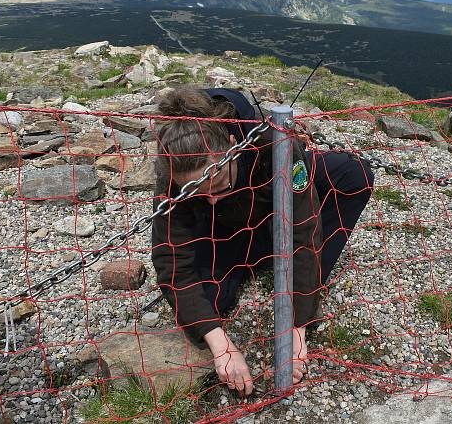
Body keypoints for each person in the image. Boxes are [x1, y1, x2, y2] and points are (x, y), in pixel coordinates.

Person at [150, 87, 374, 396]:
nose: (211, 199)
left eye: (217, 183)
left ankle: (278, 266)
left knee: (354, 174)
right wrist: (222, 347)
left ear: (233, 146)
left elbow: (303, 230)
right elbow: (171, 262)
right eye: (198, 192)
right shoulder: (173, 171)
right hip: (220, 230)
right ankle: (251, 258)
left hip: (270, 204)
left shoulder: (273, 143)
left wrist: (297, 325)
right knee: (208, 307)